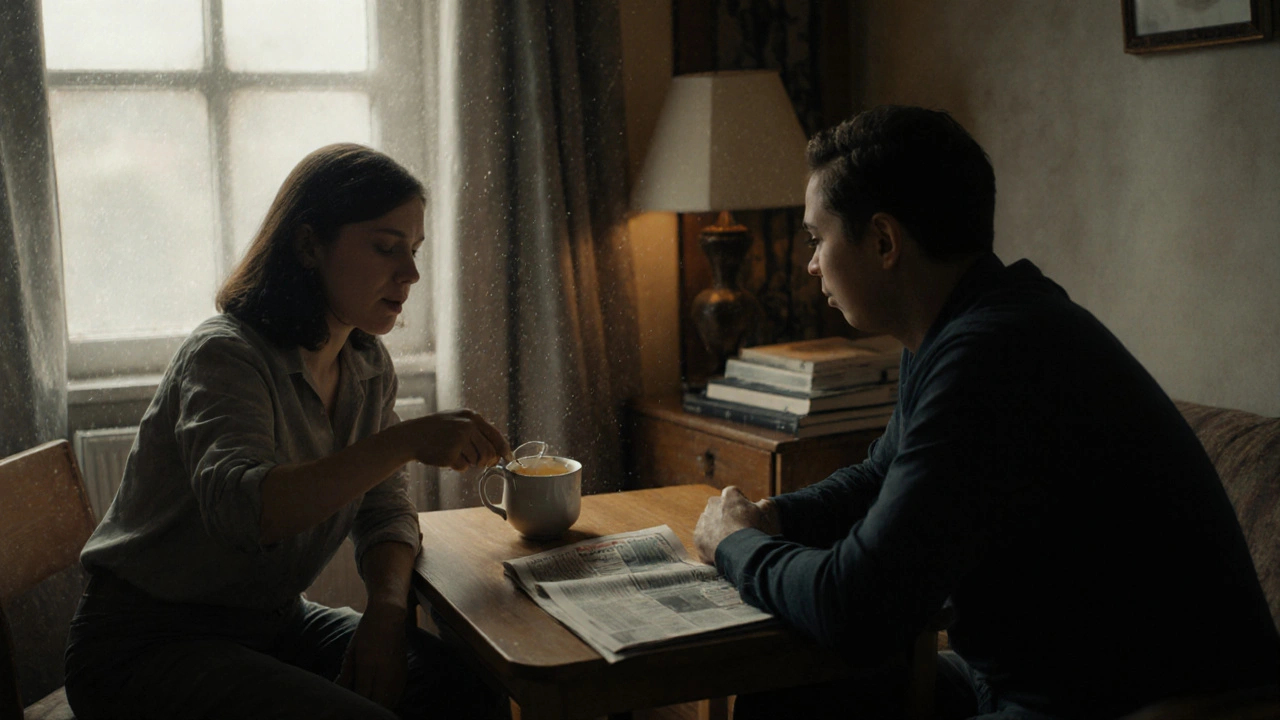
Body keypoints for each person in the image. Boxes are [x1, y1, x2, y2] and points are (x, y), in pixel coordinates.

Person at [693, 106, 1280, 719]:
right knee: (785, 703)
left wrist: (738, 545)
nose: (812, 264)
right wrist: (773, 516)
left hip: (1143, 703)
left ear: (885, 241)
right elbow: (878, 478)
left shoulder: (995, 353)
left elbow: (859, 608)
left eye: (817, 239)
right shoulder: (958, 324)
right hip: (1022, 681)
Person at [64, 144, 512, 720]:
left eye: (415, 250)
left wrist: (386, 612)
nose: (411, 274)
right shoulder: (226, 355)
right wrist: (405, 442)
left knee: (468, 689)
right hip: (143, 645)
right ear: (308, 245)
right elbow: (247, 513)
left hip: (274, 623)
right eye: (385, 247)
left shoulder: (366, 362)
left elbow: (383, 509)